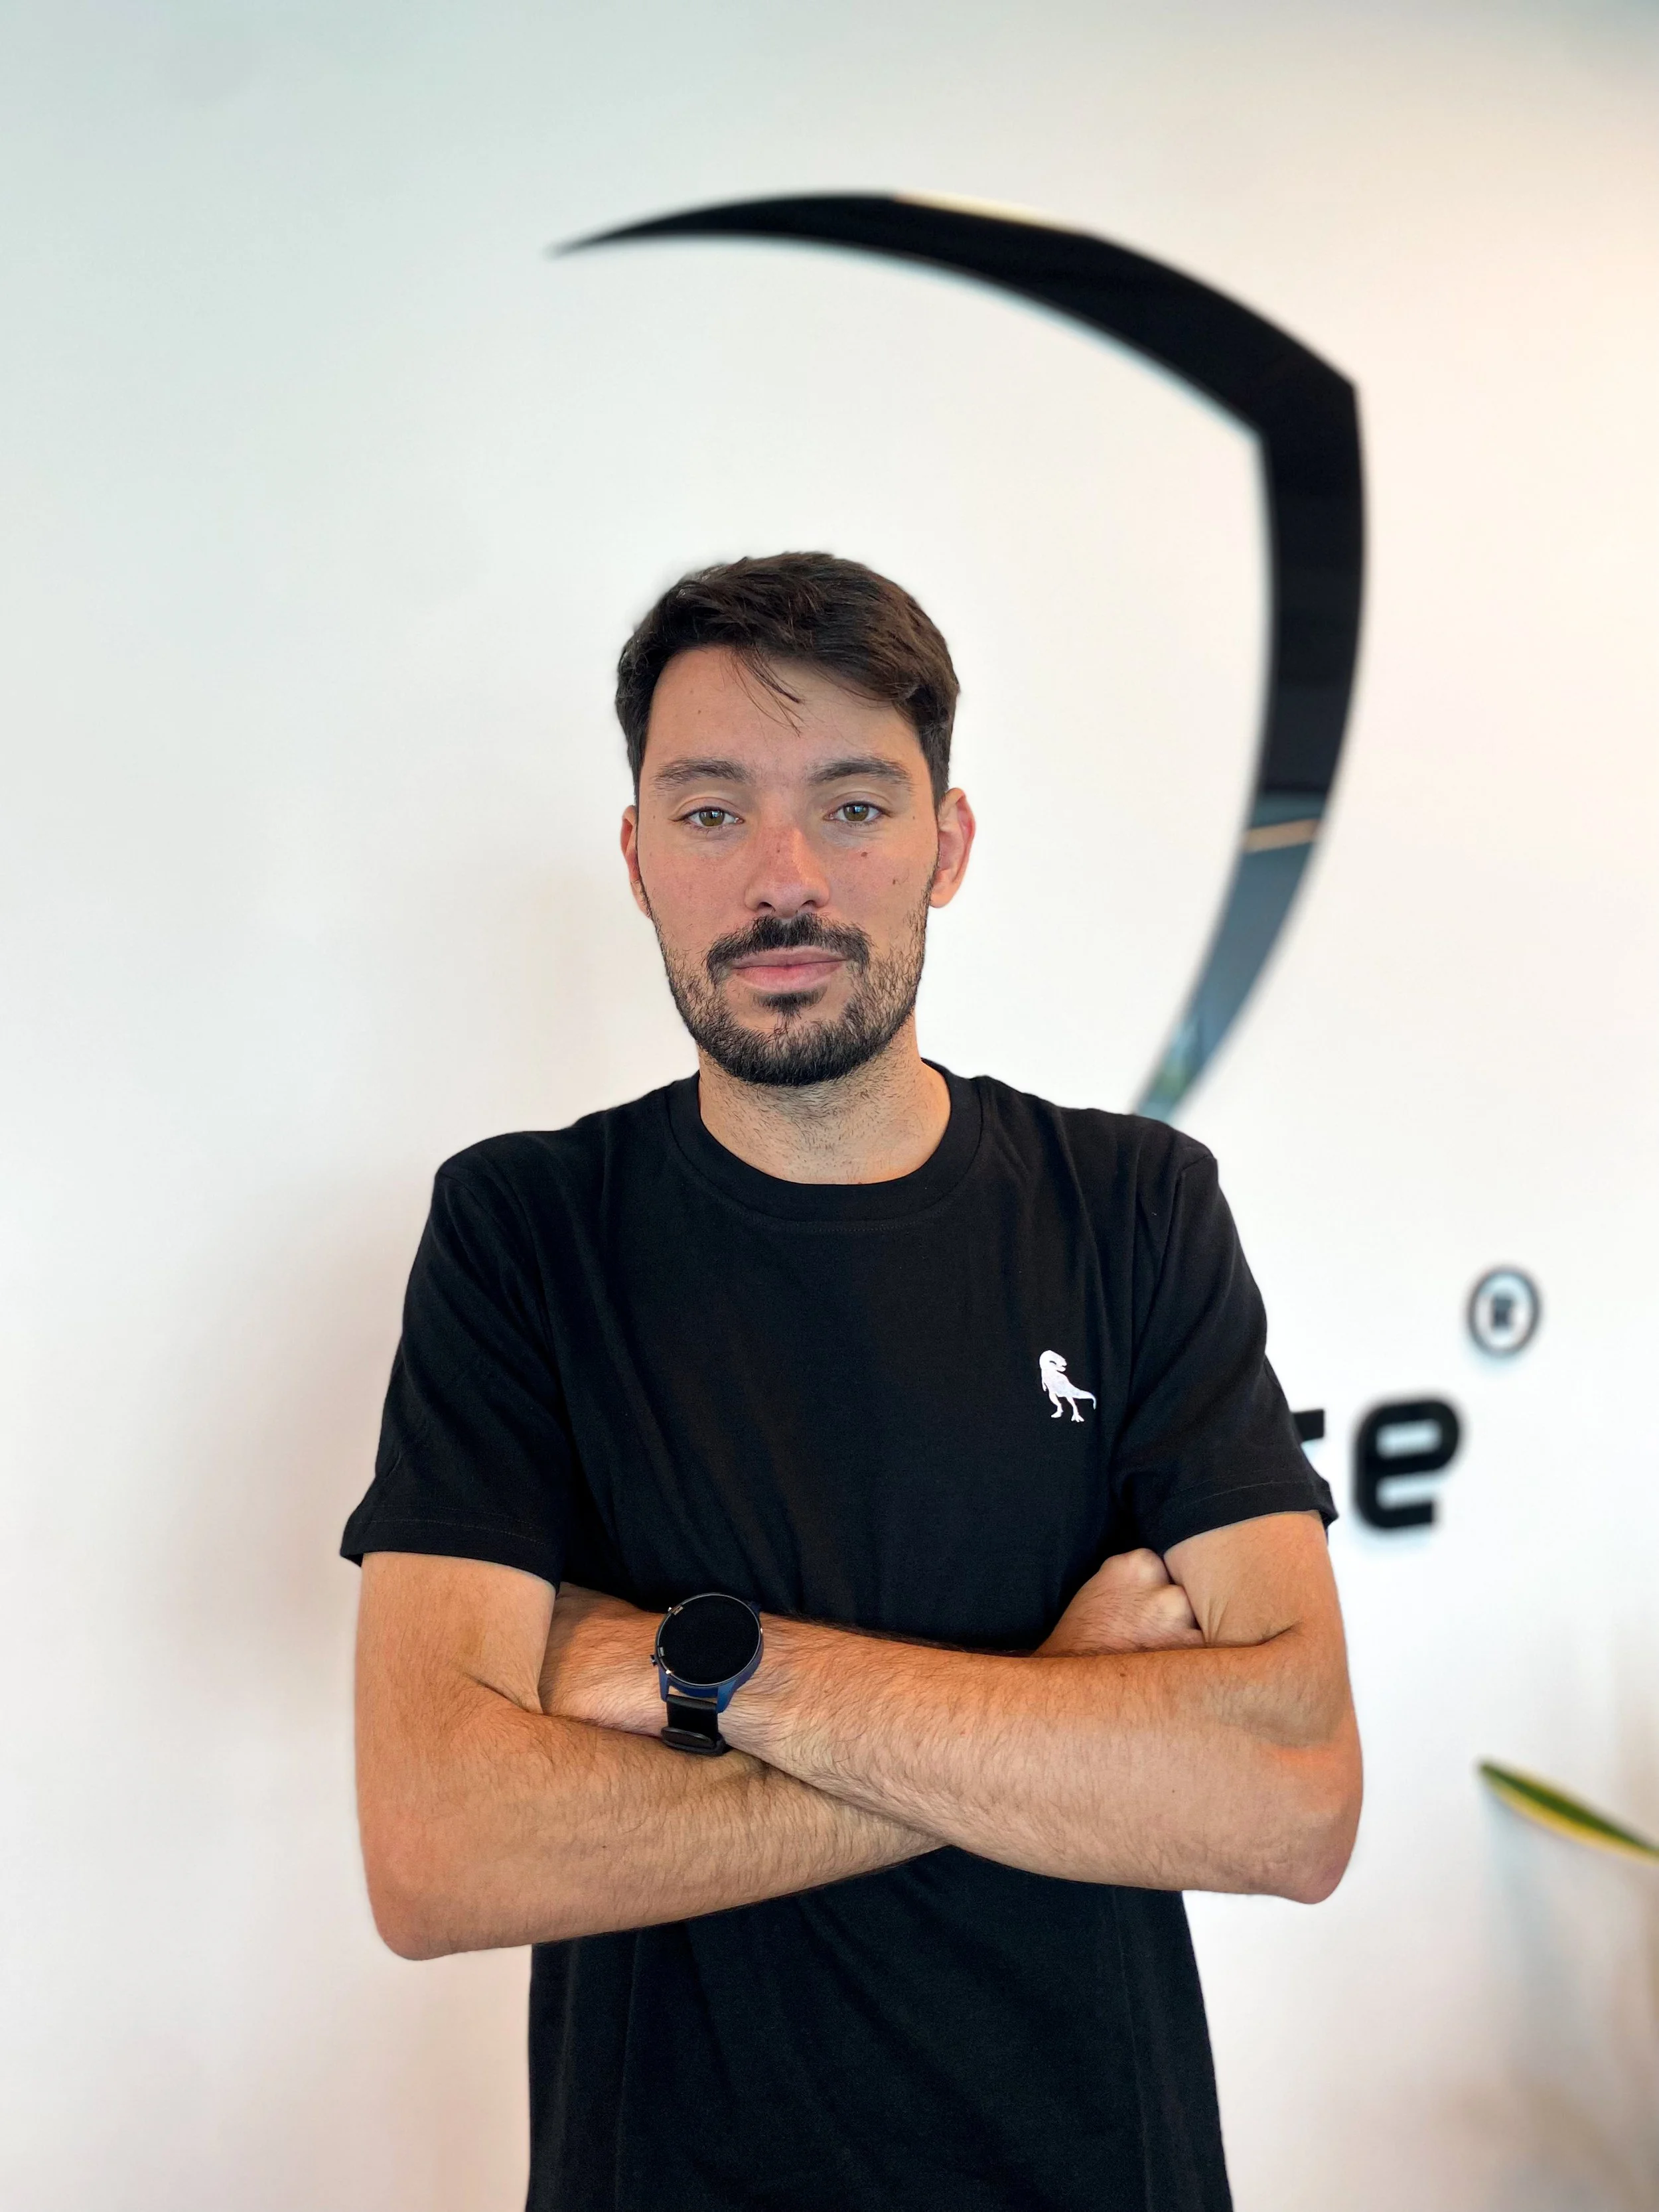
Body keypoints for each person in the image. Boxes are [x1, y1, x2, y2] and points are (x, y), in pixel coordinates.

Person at [342, 552, 1360, 2212]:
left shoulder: (1130, 1209)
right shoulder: (523, 1232)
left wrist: (702, 1668)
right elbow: (440, 1846)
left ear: (945, 846)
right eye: (710, 811)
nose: (784, 879)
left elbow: (1288, 1799)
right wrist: (1052, 1715)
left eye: (855, 805)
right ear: (635, 858)